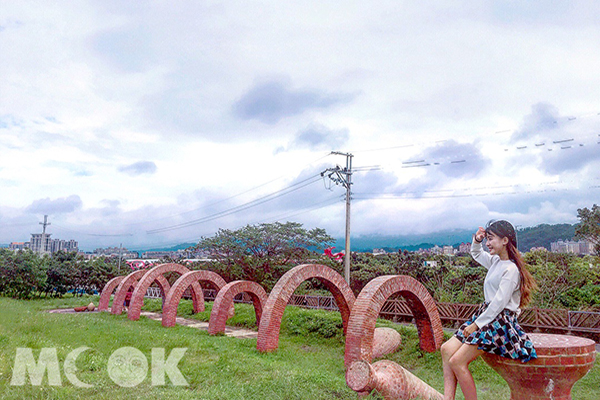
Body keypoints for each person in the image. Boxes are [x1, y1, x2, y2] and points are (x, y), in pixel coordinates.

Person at [440, 220, 537, 400]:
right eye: (487, 239)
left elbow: (499, 303)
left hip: (499, 322)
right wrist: (477, 240)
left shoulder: (511, 270)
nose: (487, 243)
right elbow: (476, 253)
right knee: (446, 349)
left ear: (505, 241)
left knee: (457, 361)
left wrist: (476, 325)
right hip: (486, 315)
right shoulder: (495, 261)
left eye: (491, 239)